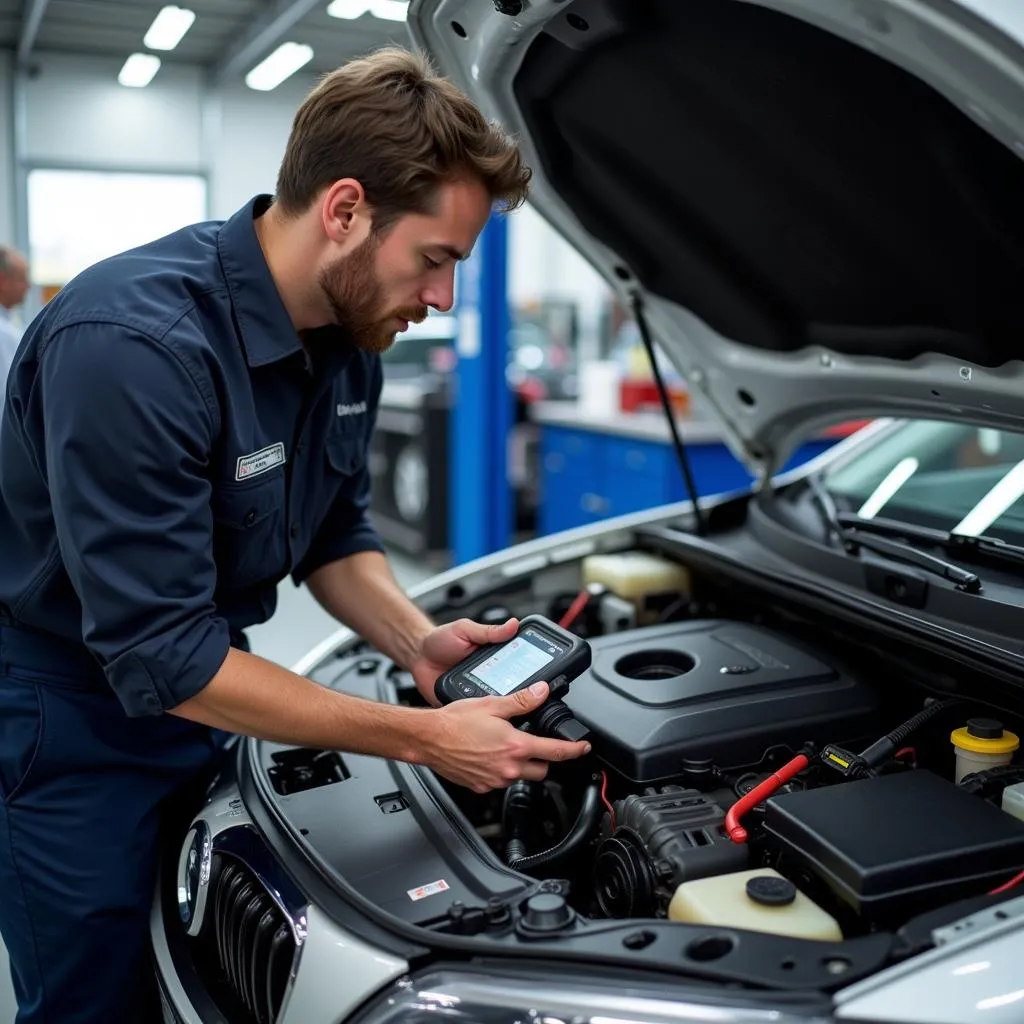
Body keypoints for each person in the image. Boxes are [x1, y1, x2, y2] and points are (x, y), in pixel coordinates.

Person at [0, 47, 591, 1024]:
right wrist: (424, 737)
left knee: (194, 954)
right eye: (434, 259)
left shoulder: (348, 339)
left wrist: (417, 643)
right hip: (72, 723)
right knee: (93, 998)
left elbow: (333, 535)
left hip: (213, 694)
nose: (442, 299)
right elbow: (164, 658)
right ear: (345, 209)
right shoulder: (132, 351)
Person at [0, 245, 30, 420]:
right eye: (22, 279)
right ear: (2, 281)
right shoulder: (5, 334)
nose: (27, 286)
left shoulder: (10, 323)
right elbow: (10, 397)